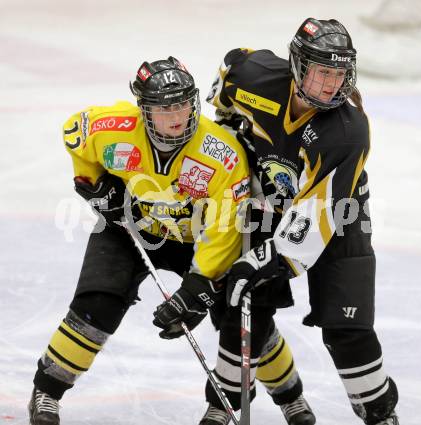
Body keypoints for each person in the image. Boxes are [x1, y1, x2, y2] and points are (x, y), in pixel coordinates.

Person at [28, 56, 254, 425]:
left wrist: (200, 283)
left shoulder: (222, 152)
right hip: (129, 227)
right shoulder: (113, 128)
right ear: (144, 111)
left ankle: (242, 401)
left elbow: (226, 226)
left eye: (182, 104)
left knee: (239, 312)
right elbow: (75, 133)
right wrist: (94, 185)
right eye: (165, 109)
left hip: (195, 239)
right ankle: (46, 390)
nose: (177, 116)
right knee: (97, 304)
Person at [204, 18, 399, 425]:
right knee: (243, 305)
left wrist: (262, 259)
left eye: (340, 74)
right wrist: (228, 136)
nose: (332, 85)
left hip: (340, 214)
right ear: (297, 65)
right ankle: (222, 407)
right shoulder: (256, 78)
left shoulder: (348, 130)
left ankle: (380, 414)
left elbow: (314, 222)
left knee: (347, 329)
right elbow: (228, 74)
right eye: (323, 72)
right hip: (268, 205)